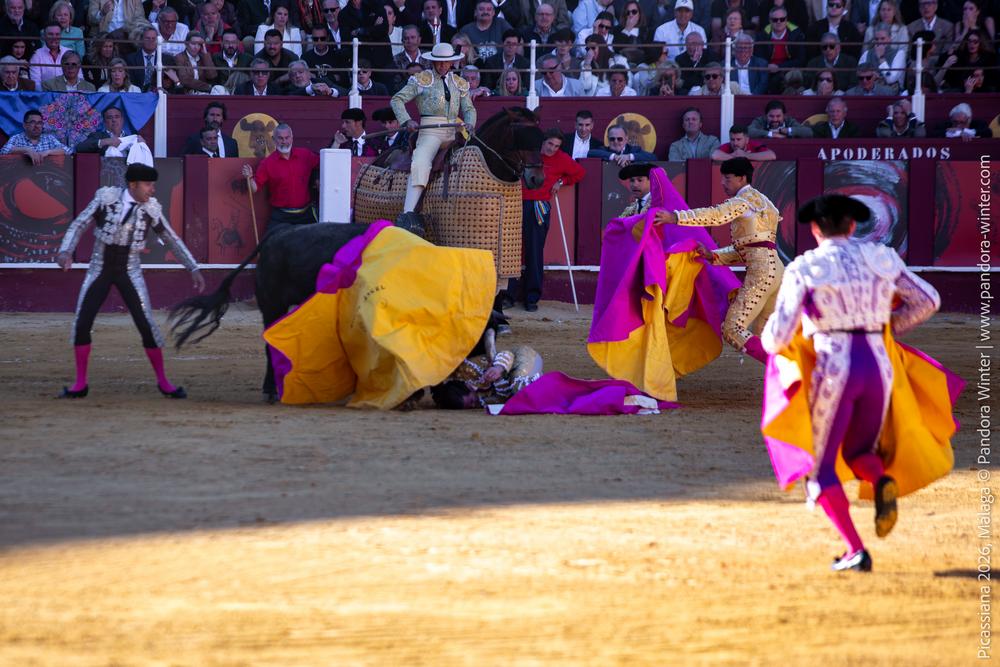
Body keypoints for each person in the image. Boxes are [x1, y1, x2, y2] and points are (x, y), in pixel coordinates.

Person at [760, 194, 941, 572]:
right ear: (853, 226)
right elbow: (928, 300)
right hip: (878, 364)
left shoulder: (805, 268)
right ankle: (880, 481)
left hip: (835, 367)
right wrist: (883, 327)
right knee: (861, 451)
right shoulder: (880, 258)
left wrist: (781, 339)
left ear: (814, 229)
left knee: (821, 467)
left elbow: (777, 338)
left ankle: (855, 550)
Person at [54, 162, 205, 400]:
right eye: (148, 184)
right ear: (132, 185)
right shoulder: (106, 198)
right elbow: (79, 223)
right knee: (82, 323)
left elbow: (170, 237)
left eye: (153, 184)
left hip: (129, 271)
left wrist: (192, 266)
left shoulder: (151, 209)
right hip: (100, 268)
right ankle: (80, 384)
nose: (152, 189)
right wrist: (65, 251)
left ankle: (164, 383)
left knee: (146, 325)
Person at [653, 157, 782, 363]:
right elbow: (754, 248)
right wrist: (714, 256)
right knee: (766, 335)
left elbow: (716, 215)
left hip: (762, 273)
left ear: (741, 178)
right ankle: (792, 381)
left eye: (728, 179)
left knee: (732, 329)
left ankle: (787, 371)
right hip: (776, 269)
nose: (723, 183)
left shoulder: (743, 201)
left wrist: (676, 217)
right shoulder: (765, 202)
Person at [391, 41, 476, 217]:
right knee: (421, 162)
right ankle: (407, 213)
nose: (443, 66)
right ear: (433, 62)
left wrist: (470, 122)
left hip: (455, 130)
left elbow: (468, 108)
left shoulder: (459, 82)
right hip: (431, 131)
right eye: (439, 62)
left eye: (446, 62)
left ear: (452, 62)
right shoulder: (422, 79)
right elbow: (396, 100)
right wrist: (407, 121)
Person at [510, 127, 586, 312]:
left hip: (538, 205)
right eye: (550, 144)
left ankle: (532, 298)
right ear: (543, 142)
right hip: (515, 203)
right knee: (510, 252)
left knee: (534, 252)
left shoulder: (561, 158)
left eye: (556, 146)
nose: (552, 149)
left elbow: (579, 173)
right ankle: (508, 295)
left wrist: (561, 182)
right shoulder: (531, 151)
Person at [242, 123, 321, 229]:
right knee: (271, 243)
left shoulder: (305, 155)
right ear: (274, 139)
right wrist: (249, 177)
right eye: (280, 138)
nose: (284, 141)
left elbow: (326, 163)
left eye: (287, 138)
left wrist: (337, 143)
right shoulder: (267, 163)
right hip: (281, 215)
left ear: (292, 138)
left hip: (305, 214)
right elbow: (254, 188)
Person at [432, 345, 543, 408]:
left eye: (471, 401)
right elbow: (502, 398)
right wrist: (499, 380)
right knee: (519, 396)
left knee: (519, 388)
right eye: (469, 405)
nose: (473, 405)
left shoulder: (469, 369)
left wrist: (498, 367)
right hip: (515, 378)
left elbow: (507, 353)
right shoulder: (480, 401)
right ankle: (537, 381)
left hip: (522, 358)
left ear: (468, 387)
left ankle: (544, 386)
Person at [1, 108, 72, 163]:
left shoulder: (49, 138)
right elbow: (3, 151)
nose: (37, 126)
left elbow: (67, 151)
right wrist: (26, 149)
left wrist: (48, 152)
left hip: (47, 176)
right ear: (25, 125)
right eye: (33, 122)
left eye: (39, 123)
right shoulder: (17, 138)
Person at [588, 125, 657, 166]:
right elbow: (591, 153)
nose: (616, 141)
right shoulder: (603, 150)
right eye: (612, 139)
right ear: (608, 139)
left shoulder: (634, 150)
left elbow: (653, 157)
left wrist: (629, 156)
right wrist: (614, 156)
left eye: (619, 139)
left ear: (626, 139)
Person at [29, 21, 69, 88]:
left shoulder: (69, 53)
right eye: (50, 34)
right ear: (44, 36)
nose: (54, 37)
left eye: (57, 34)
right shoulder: (36, 55)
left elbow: (79, 79)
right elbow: (36, 83)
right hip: (46, 96)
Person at [748, 99, 814, 138]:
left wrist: (787, 130)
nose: (775, 119)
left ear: (784, 116)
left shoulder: (789, 121)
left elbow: (808, 132)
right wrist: (771, 134)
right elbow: (748, 131)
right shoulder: (760, 120)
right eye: (771, 116)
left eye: (778, 116)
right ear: (766, 115)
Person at [711, 123, 777, 161]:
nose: (735, 143)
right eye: (732, 139)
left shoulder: (753, 144)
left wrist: (746, 155)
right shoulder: (727, 146)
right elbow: (714, 155)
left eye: (739, 139)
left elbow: (772, 155)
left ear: (747, 140)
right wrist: (735, 156)